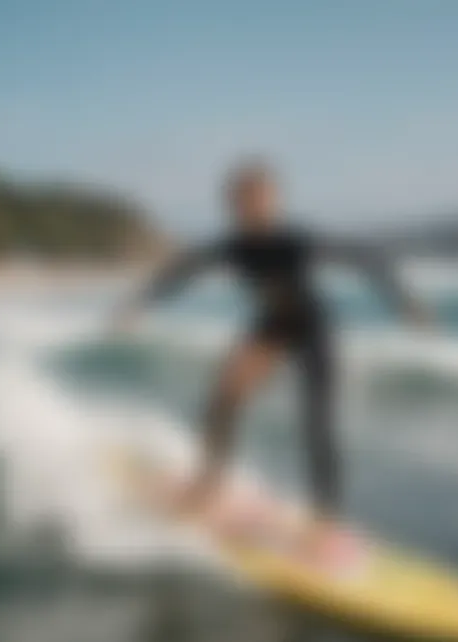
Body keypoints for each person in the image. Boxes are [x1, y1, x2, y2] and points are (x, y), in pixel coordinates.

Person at [112, 160, 431, 560]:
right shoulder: (234, 247)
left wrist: (404, 300)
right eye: (248, 200)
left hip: (312, 329)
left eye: (265, 199)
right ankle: (208, 483)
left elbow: (366, 256)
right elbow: (184, 269)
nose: (259, 208)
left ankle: (325, 523)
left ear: (276, 201)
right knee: (223, 397)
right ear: (233, 205)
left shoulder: (295, 241)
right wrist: (142, 302)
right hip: (273, 328)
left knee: (317, 421)